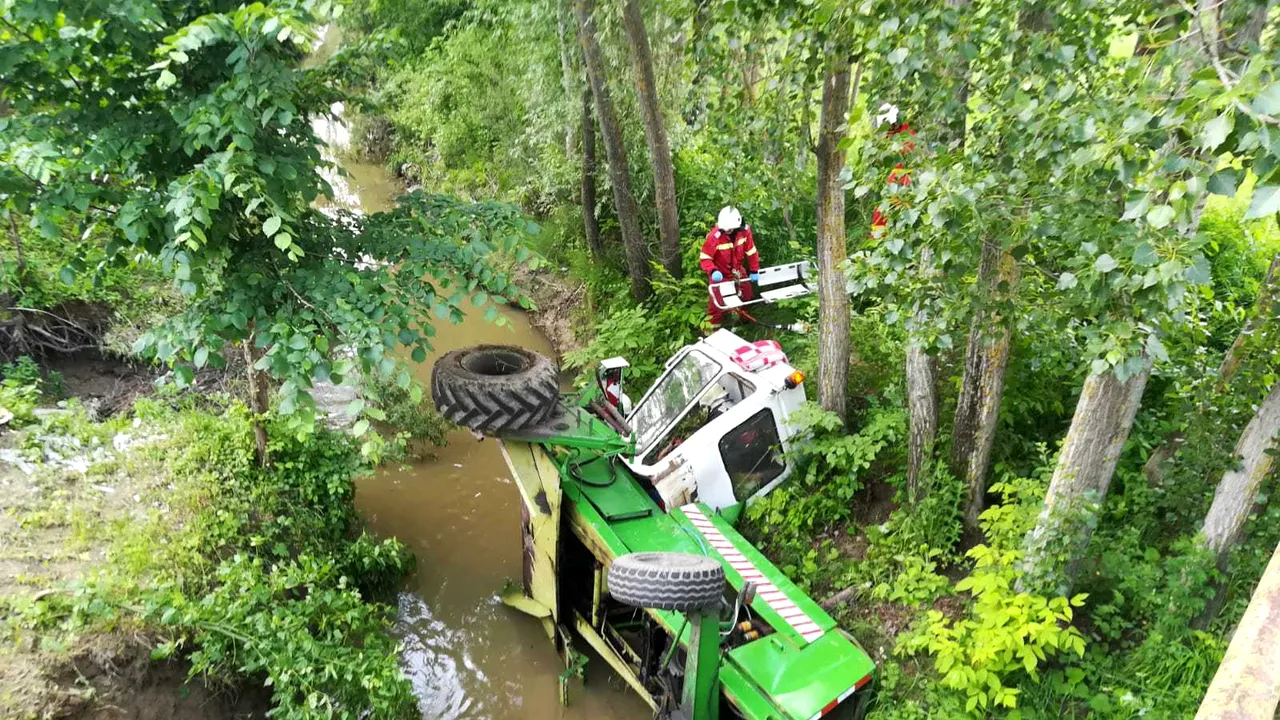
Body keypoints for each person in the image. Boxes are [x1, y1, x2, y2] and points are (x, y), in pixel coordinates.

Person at [700, 206, 760, 325]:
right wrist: (712, 271)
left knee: (747, 295)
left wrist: (754, 270)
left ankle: (743, 322)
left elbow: (751, 252)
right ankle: (711, 331)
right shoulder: (714, 236)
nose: (727, 230)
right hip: (719, 274)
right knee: (716, 304)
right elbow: (705, 258)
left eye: (729, 228)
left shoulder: (745, 232)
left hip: (737, 271)